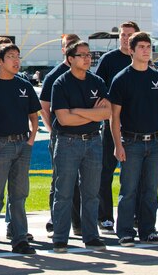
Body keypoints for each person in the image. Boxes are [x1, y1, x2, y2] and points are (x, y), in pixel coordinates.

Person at [0, 43, 39, 257]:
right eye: (11, 56)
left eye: (18, 56)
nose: (16, 60)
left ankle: (20, 239)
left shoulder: (25, 86)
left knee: (19, 195)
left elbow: (34, 116)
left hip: (22, 145)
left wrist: (30, 141)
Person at [109, 32, 158, 246]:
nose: (146, 50)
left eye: (148, 46)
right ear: (131, 50)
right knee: (129, 190)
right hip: (131, 141)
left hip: (155, 142)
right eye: (142, 47)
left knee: (151, 191)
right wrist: (118, 145)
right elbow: (114, 116)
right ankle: (125, 232)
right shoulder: (121, 79)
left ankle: (148, 231)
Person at [51, 40, 111, 253]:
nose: (88, 58)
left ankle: (91, 236)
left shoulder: (97, 81)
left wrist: (77, 110)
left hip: (94, 141)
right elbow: (64, 120)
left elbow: (106, 113)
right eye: (82, 55)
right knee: (64, 191)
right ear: (70, 59)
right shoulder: (60, 83)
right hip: (68, 142)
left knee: (92, 192)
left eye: (89, 55)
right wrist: (90, 114)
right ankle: (60, 237)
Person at [95, 21, 139, 233]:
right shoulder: (108, 60)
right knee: (106, 171)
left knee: (134, 174)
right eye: (122, 34)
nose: (125, 38)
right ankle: (104, 217)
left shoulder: (142, 59)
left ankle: (135, 216)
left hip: (137, 127)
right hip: (112, 124)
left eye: (129, 35)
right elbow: (98, 86)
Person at [40, 33, 82, 238]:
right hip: (61, 136)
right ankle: (56, 220)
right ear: (64, 50)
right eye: (68, 46)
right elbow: (45, 107)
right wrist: (52, 131)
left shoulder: (85, 74)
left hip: (84, 136)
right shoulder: (54, 76)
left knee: (82, 182)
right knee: (60, 180)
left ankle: (79, 223)